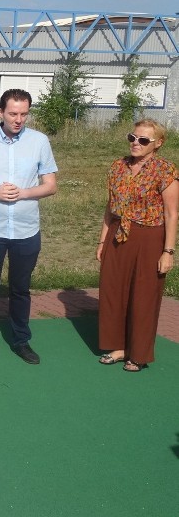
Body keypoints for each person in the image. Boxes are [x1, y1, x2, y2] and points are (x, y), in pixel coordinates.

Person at [0, 88, 58, 364]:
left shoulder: (40, 141)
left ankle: (20, 340)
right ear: (0, 113)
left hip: (27, 229)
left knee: (20, 289)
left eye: (24, 114)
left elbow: (51, 185)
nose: (19, 120)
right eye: (13, 114)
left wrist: (24, 193)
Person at [96, 119, 178, 372]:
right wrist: (102, 241)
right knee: (113, 291)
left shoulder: (165, 170)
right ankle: (117, 346)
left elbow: (171, 214)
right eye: (132, 137)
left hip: (150, 237)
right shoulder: (118, 167)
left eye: (143, 140)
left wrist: (168, 252)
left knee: (144, 296)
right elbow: (110, 209)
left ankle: (139, 353)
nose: (135, 143)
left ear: (158, 144)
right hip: (118, 235)